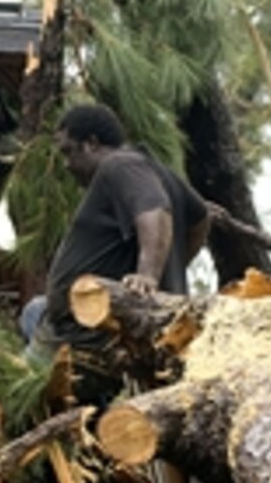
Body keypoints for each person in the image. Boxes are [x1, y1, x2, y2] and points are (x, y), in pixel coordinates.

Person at [23, 103, 210, 359]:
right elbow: (201, 220)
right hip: (74, 323)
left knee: (11, 394)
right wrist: (173, 265)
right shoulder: (154, 169)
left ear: (91, 143)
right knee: (33, 310)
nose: (66, 165)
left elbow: (154, 207)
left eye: (69, 152)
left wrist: (148, 276)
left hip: (88, 336)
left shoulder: (119, 165)